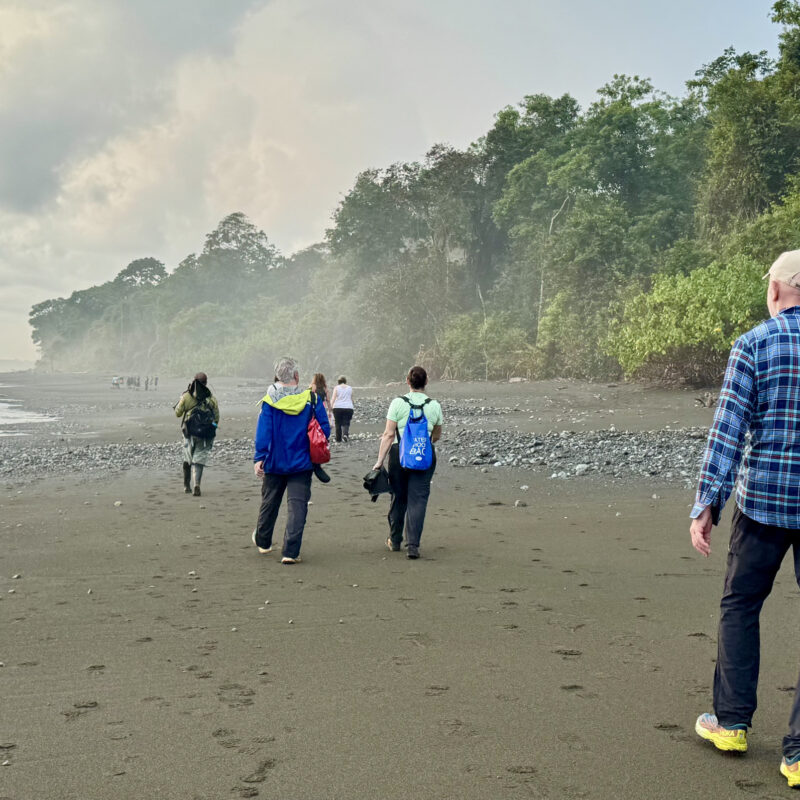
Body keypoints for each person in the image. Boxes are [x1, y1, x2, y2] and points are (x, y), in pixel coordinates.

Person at [690, 249, 800, 788]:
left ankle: (731, 722)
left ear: (775, 290)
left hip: (764, 503)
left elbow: (728, 431)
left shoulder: (755, 344)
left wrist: (706, 504)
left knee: (740, 604)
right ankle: (798, 755)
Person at [252, 357, 330, 564]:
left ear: (277, 376)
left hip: (274, 461)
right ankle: (290, 552)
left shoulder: (269, 401)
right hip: (302, 462)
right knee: (297, 507)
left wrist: (259, 457)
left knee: (269, 503)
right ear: (296, 375)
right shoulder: (311, 399)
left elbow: (264, 431)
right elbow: (324, 429)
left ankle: (263, 542)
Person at [372, 365, 442, 559]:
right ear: (426, 381)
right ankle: (413, 545)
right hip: (424, 455)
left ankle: (395, 540)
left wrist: (379, 462)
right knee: (418, 500)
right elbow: (437, 435)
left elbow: (388, 435)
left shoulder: (398, 403)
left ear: (408, 381)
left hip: (398, 455)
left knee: (398, 497)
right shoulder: (434, 405)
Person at [174, 372, 219, 497]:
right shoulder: (211, 398)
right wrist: (212, 427)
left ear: (194, 381)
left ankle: (186, 486)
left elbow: (178, 413)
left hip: (189, 433)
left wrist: (181, 399)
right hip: (205, 435)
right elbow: (216, 417)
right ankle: (196, 484)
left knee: (187, 457)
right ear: (206, 382)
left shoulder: (187, 396)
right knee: (199, 458)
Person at [330, 375, 354, 443]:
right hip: (348, 407)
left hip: (337, 407)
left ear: (338, 381)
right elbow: (352, 399)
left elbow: (333, 398)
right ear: (345, 381)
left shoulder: (336, 388)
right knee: (346, 422)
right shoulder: (350, 388)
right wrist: (352, 405)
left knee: (338, 423)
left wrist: (330, 407)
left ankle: (338, 438)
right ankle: (345, 435)